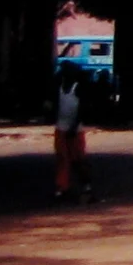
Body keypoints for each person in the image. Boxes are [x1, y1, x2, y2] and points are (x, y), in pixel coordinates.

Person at [53, 64, 89, 202]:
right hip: (61, 128)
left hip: (75, 130)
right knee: (62, 158)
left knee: (78, 159)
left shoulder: (78, 88)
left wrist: (74, 127)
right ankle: (62, 186)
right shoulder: (59, 87)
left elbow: (82, 110)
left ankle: (86, 185)